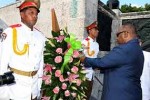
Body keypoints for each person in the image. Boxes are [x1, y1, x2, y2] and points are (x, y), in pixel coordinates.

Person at [80, 23, 144, 100]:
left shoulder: (124, 49)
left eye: (117, 35)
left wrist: (84, 59)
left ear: (125, 34)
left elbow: (102, 62)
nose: (116, 39)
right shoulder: (136, 48)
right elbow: (122, 67)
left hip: (119, 95)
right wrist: (99, 67)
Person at [0, 0, 45, 100]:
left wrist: (38, 87)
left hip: (33, 91)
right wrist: (3, 94)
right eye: (31, 13)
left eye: (36, 13)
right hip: (15, 91)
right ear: (22, 14)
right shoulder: (11, 32)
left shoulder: (40, 36)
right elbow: (2, 64)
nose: (34, 16)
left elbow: (41, 65)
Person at [82, 21, 100, 100]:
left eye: (97, 29)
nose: (97, 31)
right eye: (95, 29)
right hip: (83, 75)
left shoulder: (96, 44)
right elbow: (79, 57)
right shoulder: (84, 42)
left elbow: (95, 57)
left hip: (91, 74)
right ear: (89, 31)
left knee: (87, 96)